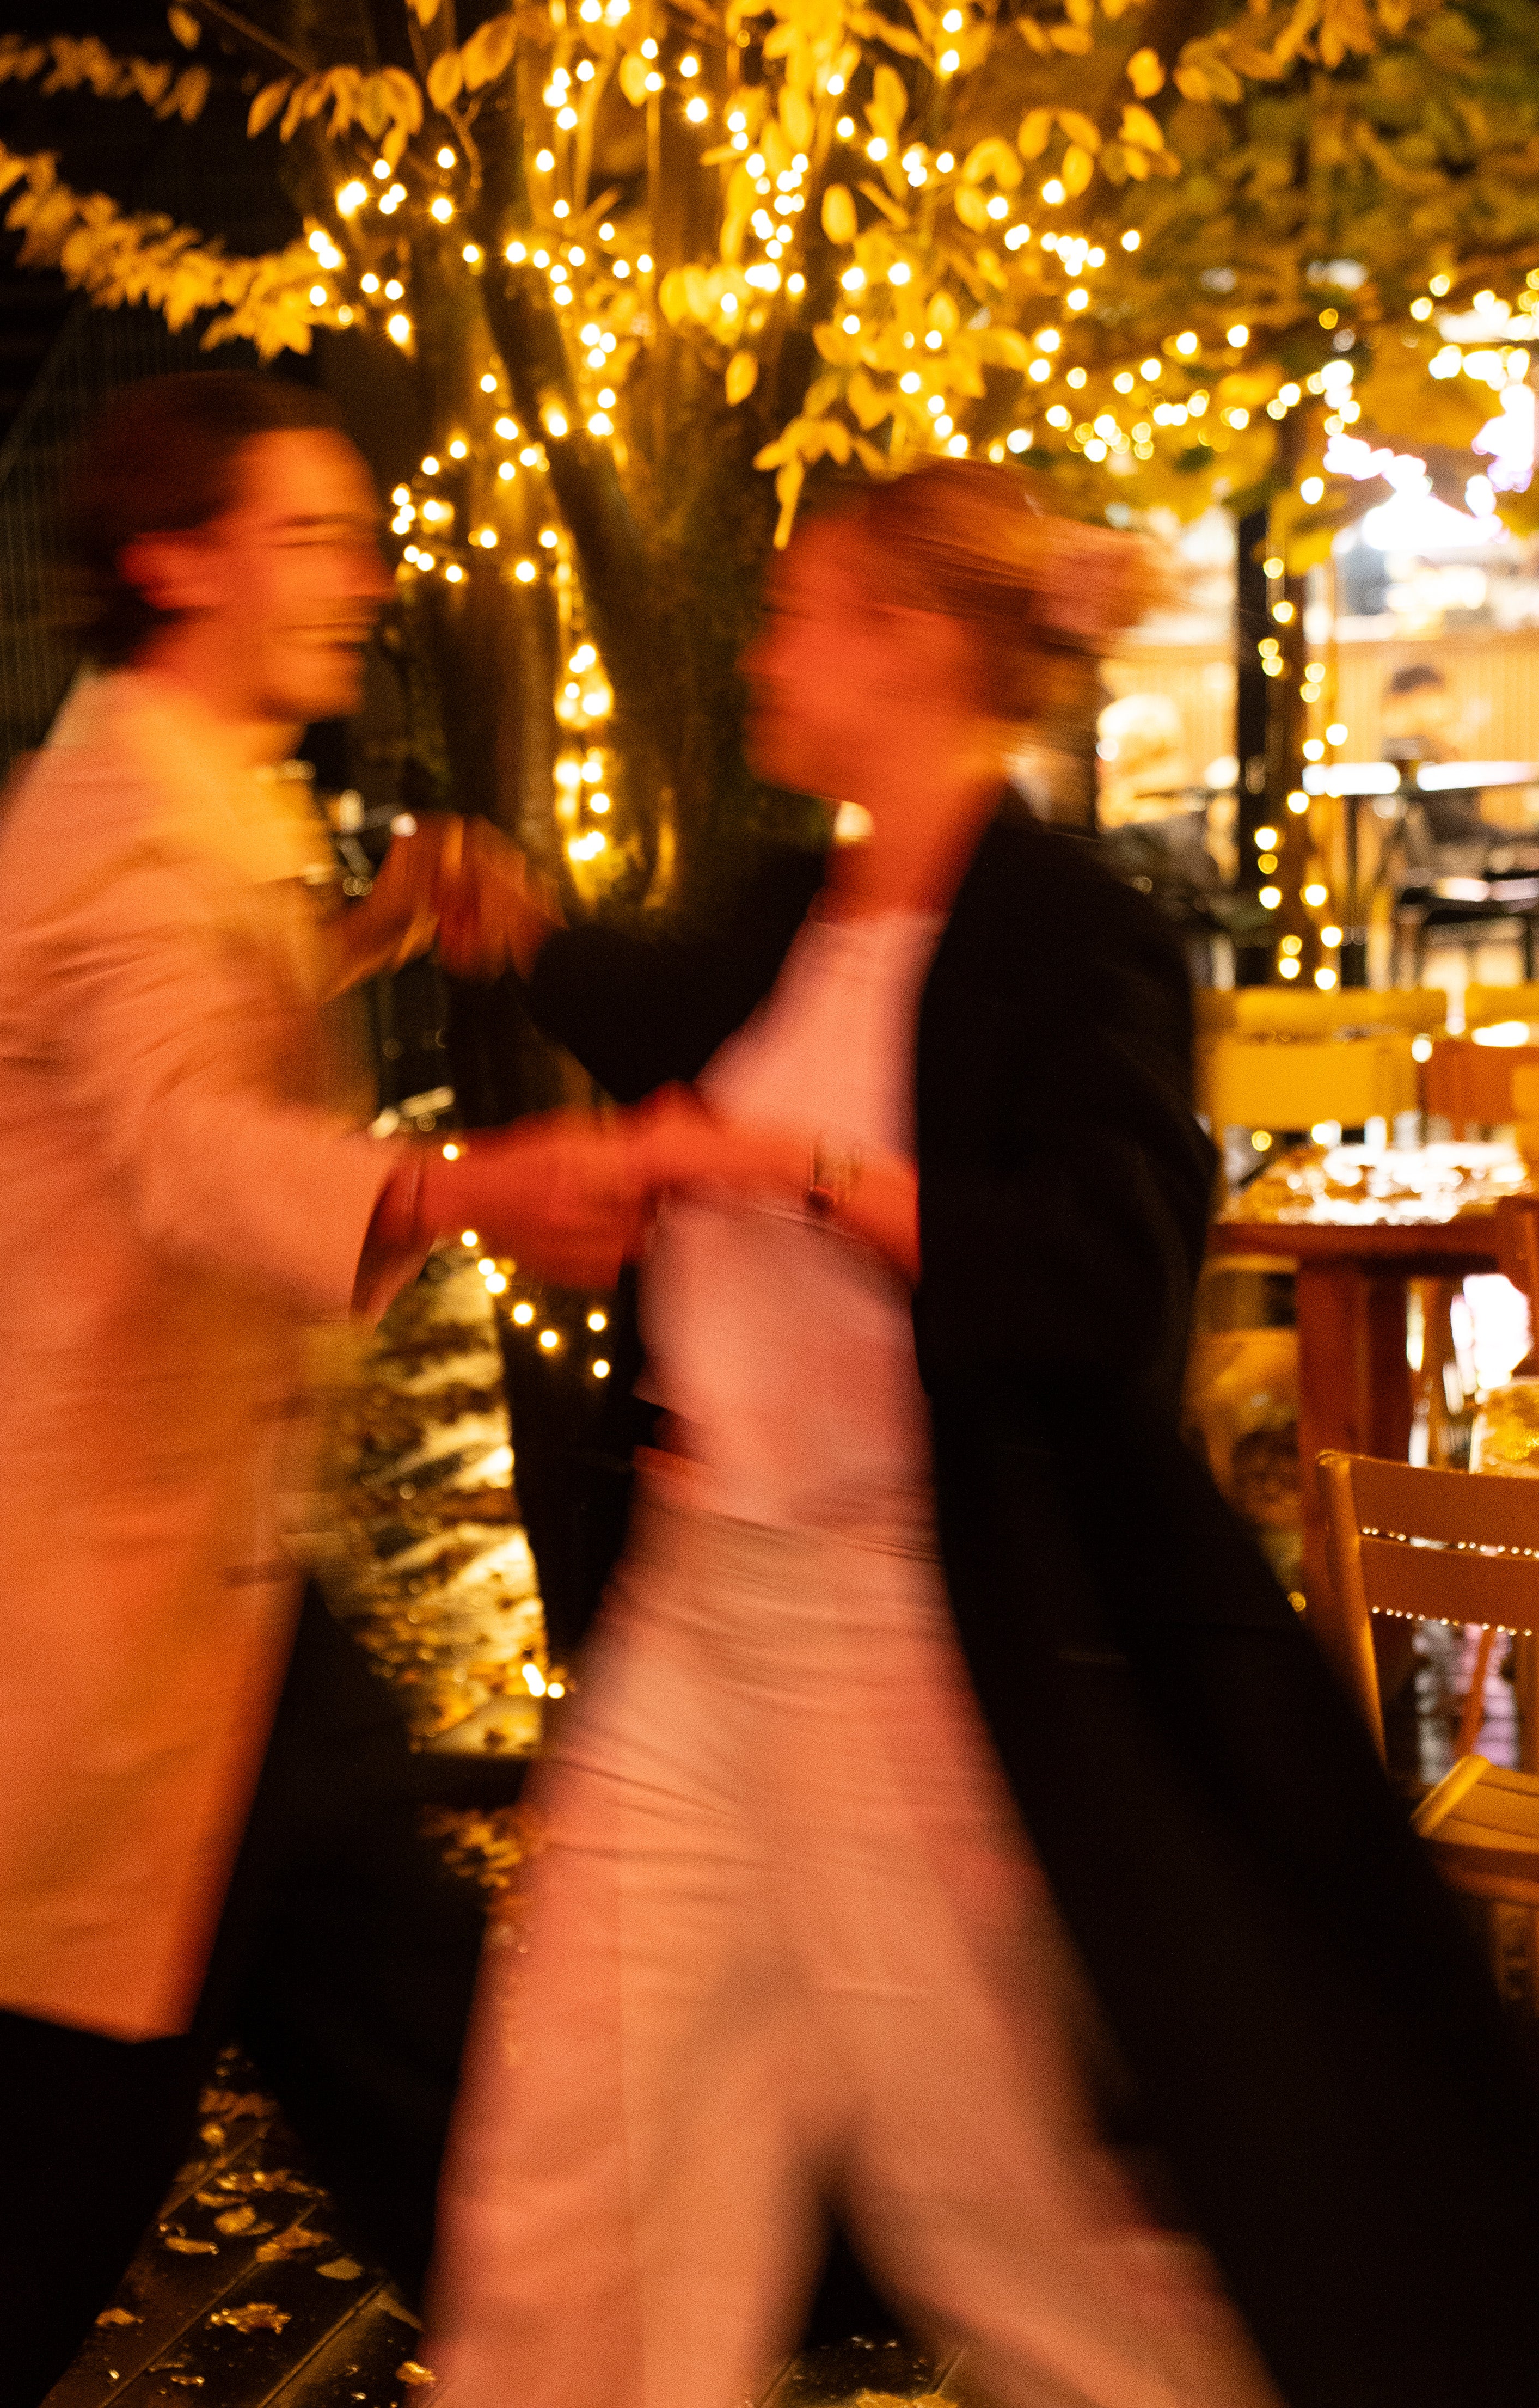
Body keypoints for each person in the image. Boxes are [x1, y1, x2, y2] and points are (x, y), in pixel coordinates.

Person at [418, 461, 1539, 2408]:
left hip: (897, 1642)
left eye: (797, 616)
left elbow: (1100, 1282)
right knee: (584, 2174)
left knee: (994, 2211)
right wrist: (546, 1001)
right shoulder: (791, 907)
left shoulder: (1074, 936)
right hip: (693, 1614)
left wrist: (792, 1172)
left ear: (915, 645)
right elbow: (663, 1029)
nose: (761, 655)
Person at [0, 371, 638, 2408]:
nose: (363, 580)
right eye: (310, 538)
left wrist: (364, 935)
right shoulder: (124, 830)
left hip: (215, 1636)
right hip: (112, 1668)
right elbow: (183, 1141)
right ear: (174, 563)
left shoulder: (180, 784)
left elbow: (176, 1038)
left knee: (458, 2143)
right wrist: (469, 1185)